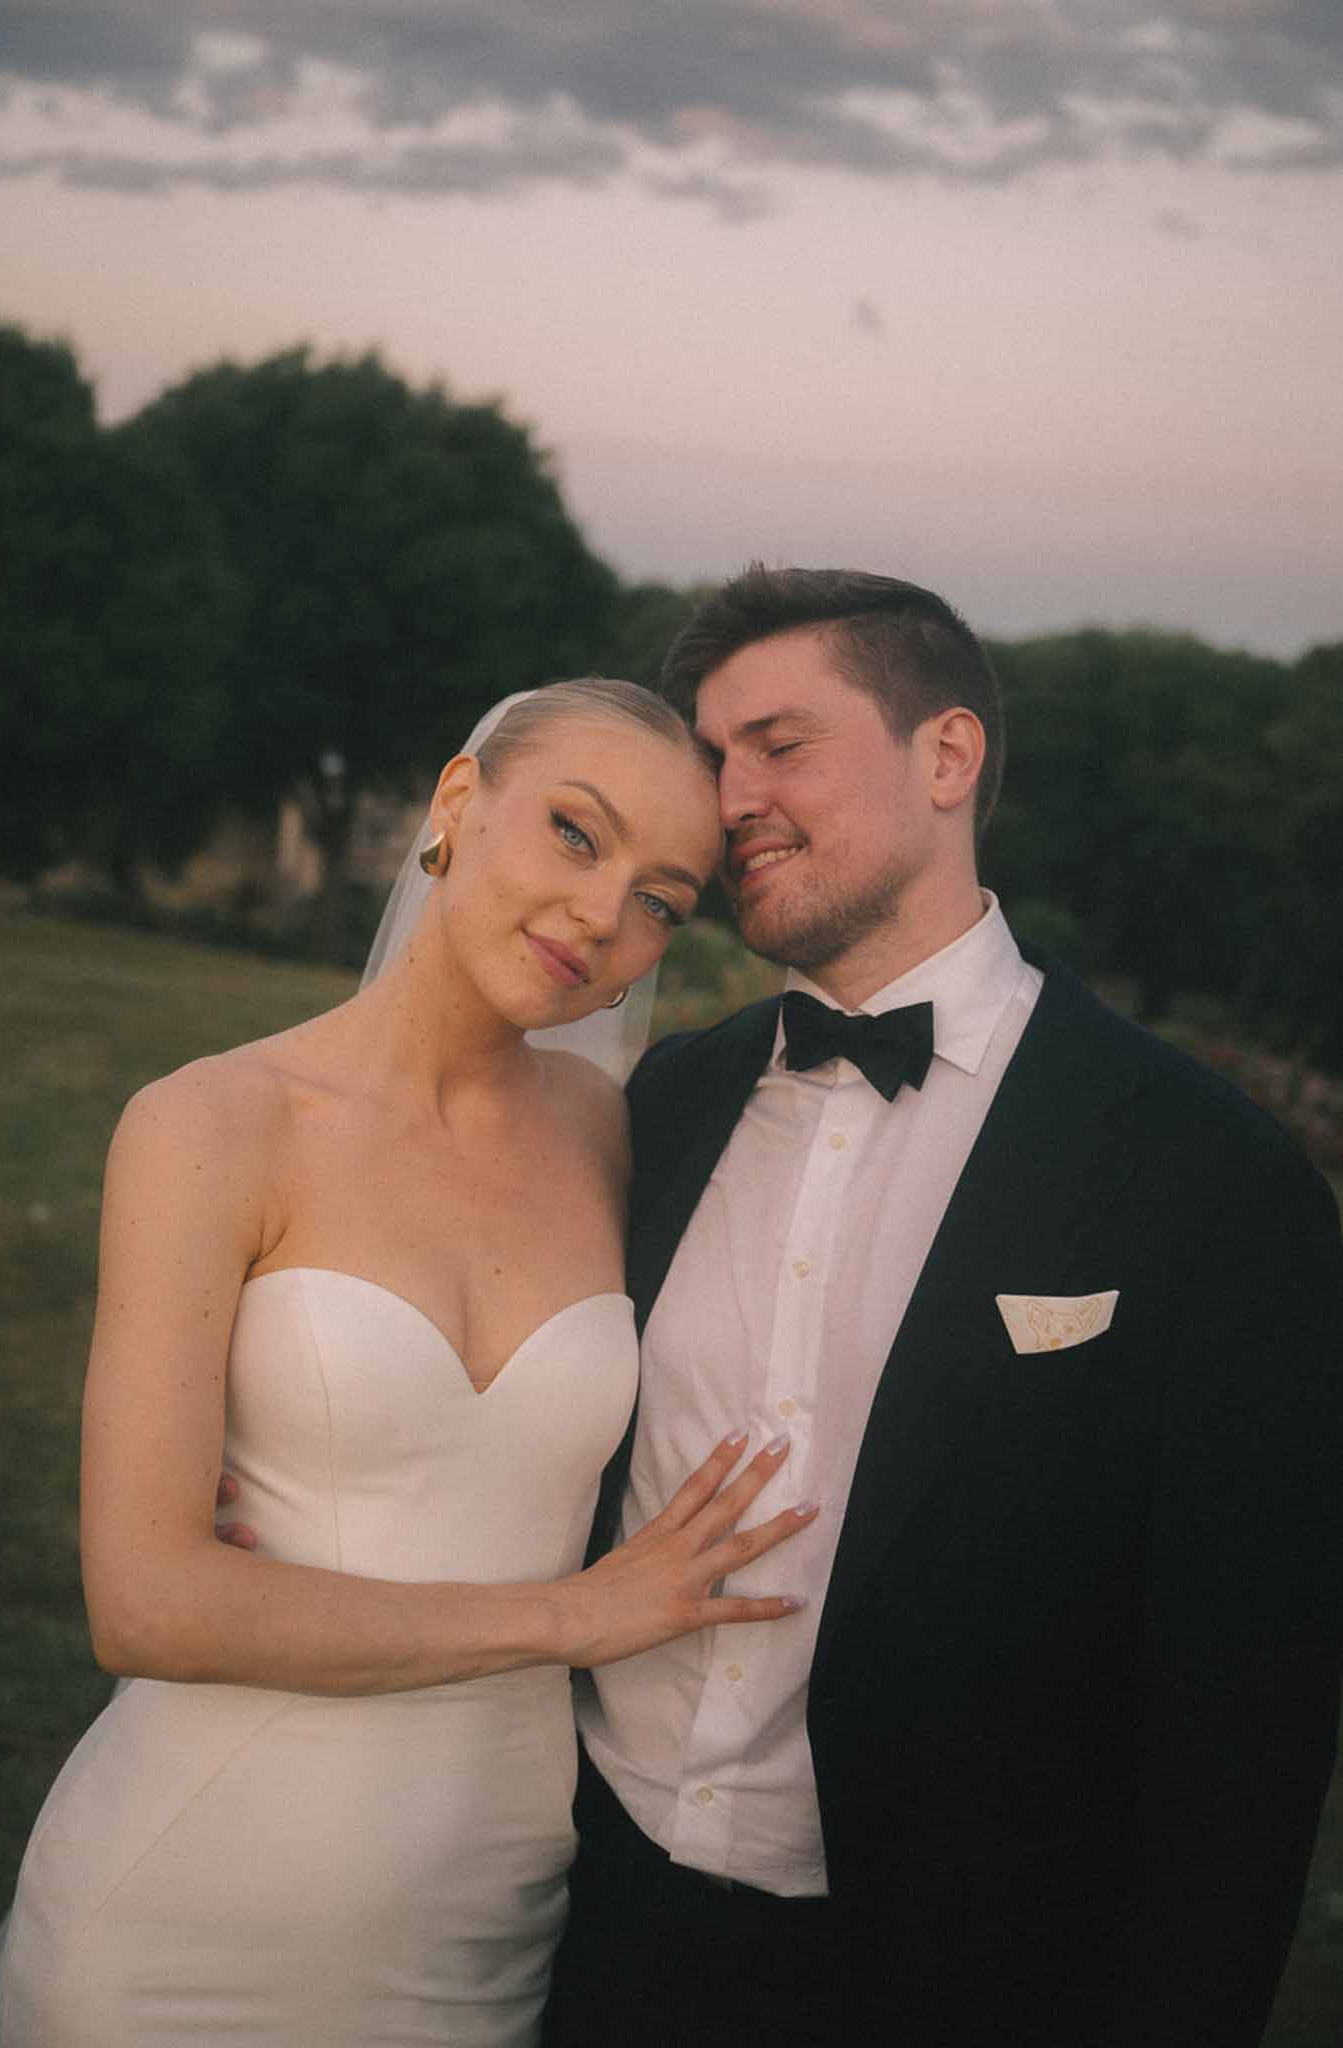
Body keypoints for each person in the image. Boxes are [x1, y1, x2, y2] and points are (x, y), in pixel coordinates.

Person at [542, 568, 1343, 2048]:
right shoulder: (650, 1109)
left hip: (955, 1982)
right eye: (713, 760)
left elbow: (1246, 1725)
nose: (732, 801)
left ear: (949, 756)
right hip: (586, 1929)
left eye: (781, 744)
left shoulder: (1207, 1177)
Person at [0, 679, 815, 2048]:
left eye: (663, 898)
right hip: (188, 1911)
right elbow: (146, 1603)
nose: (605, 916)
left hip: (485, 1925)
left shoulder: (616, 1137)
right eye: (573, 832)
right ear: (455, 803)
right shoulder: (211, 1123)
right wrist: (570, 1616)